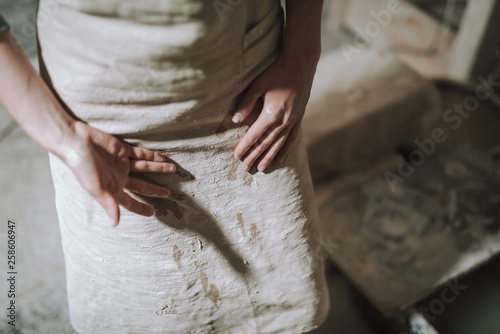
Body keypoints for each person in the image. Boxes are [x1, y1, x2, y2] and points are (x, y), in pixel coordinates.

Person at [0, 1, 329, 333]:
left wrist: (303, 53)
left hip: (244, 79)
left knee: (277, 290)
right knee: (145, 312)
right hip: (105, 122)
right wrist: (66, 139)